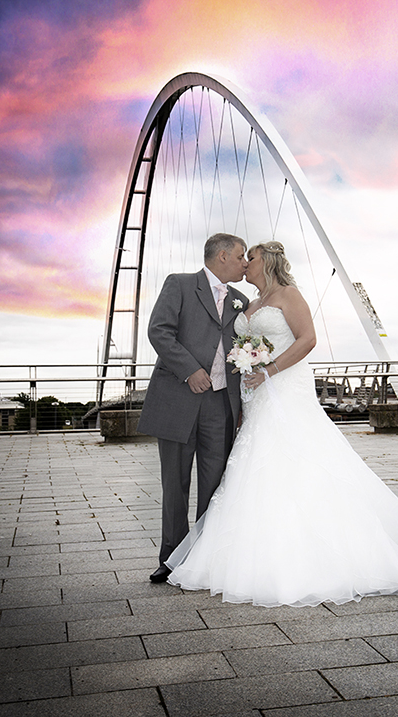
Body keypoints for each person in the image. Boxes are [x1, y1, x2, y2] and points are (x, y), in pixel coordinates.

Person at [164, 241, 398, 606]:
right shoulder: (247, 302)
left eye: (251, 257)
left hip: (285, 387)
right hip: (254, 395)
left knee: (296, 456)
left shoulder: (290, 295)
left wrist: (269, 370)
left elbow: (308, 339)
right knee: (254, 465)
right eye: (241, 257)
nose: (245, 264)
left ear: (267, 261)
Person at [138, 233, 250, 583]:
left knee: (215, 487)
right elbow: (159, 332)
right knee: (175, 484)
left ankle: (203, 559)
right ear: (221, 257)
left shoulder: (241, 300)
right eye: (241, 257)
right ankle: (171, 560)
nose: (245, 263)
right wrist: (190, 371)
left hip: (221, 405)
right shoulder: (180, 285)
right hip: (177, 400)